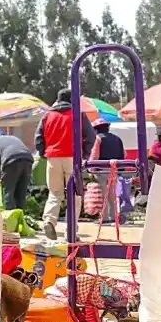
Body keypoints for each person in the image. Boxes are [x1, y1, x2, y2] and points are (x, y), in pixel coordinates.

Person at [35, 88, 94, 239]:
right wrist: (84, 154)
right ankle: (71, 231)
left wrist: (44, 154)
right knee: (75, 195)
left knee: (55, 193)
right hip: (73, 159)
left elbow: (39, 138)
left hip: (52, 158)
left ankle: (49, 220)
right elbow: (91, 137)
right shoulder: (78, 115)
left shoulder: (47, 115)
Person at [0, 133, 34, 210]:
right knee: (21, 192)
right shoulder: (11, 138)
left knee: (8, 191)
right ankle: (20, 216)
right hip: (28, 159)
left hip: (11, 161)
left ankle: (9, 216)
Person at [89, 118, 126, 223]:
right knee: (112, 194)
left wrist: (91, 169)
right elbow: (124, 154)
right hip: (115, 169)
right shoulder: (117, 138)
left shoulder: (98, 139)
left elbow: (94, 155)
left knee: (103, 194)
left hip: (101, 169)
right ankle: (114, 217)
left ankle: (103, 218)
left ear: (96, 129)